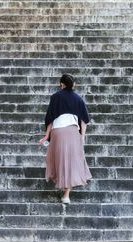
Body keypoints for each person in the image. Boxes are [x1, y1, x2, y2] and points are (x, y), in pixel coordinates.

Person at [39, 74, 92, 204]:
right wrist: (82, 137)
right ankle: (66, 195)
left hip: (58, 132)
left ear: (61, 84)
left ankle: (59, 181)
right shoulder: (78, 99)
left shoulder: (55, 97)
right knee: (72, 162)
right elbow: (84, 120)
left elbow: (50, 118)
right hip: (73, 131)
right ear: (73, 85)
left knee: (58, 159)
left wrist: (47, 135)